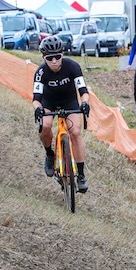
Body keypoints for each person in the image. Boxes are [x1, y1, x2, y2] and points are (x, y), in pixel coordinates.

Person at [32, 36, 92, 191]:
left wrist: (85, 103)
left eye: (57, 57)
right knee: (45, 126)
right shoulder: (40, 72)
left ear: (62, 55)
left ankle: (81, 174)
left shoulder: (73, 66)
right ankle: (49, 154)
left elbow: (83, 91)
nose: (54, 61)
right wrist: (37, 108)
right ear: (44, 58)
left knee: (76, 132)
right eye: (49, 58)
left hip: (69, 101)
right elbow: (36, 99)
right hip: (48, 102)